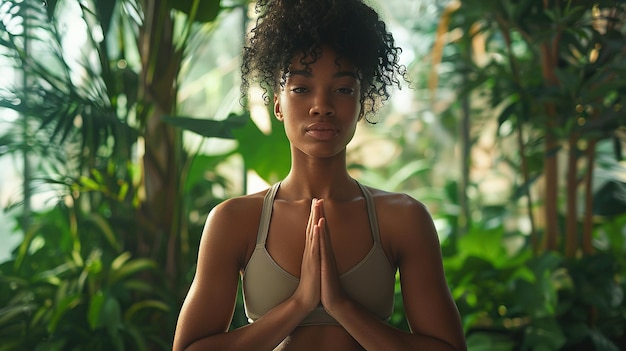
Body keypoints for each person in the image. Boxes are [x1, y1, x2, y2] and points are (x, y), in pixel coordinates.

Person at [173, 0, 466, 350]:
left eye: (343, 89)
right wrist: (298, 304)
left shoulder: (402, 219)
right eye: (301, 88)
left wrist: (342, 307)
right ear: (278, 103)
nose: (321, 105)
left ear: (361, 103)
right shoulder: (235, 221)